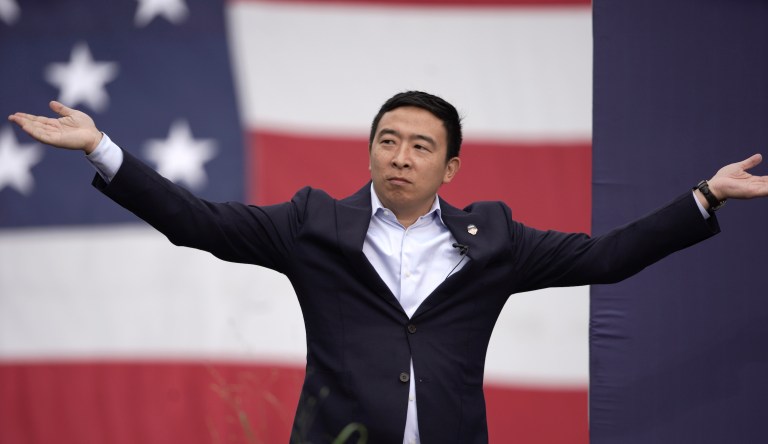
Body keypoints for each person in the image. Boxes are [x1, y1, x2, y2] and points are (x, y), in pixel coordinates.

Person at [8, 91, 768, 444]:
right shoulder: (313, 222)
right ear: (370, 149)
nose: (399, 156)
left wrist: (705, 196)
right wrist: (101, 150)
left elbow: (606, 258)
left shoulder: (494, 238)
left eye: (420, 146)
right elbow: (196, 224)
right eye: (387, 140)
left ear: (451, 167)